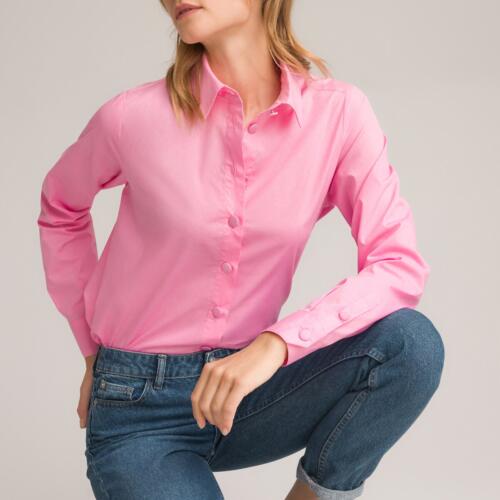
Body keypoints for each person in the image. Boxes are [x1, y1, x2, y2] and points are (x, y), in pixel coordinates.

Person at [36, 1, 445, 498]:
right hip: (139, 406)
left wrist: (276, 345)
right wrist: (92, 352)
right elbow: (61, 206)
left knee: (409, 345)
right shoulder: (132, 117)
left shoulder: (337, 115)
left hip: (250, 389)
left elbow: (397, 263)